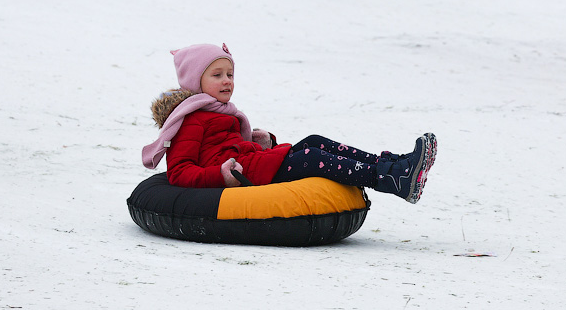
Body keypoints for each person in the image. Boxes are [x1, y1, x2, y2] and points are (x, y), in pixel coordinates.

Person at [142, 44, 436, 203]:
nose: (227, 81)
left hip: (254, 163)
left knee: (313, 141)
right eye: (217, 75)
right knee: (313, 157)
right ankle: (392, 179)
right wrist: (222, 175)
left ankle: (396, 166)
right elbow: (179, 172)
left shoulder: (220, 112)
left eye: (230, 74)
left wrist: (254, 142)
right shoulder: (190, 119)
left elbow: (221, 145)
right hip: (245, 176)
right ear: (195, 81)